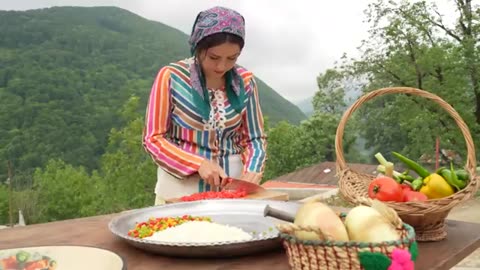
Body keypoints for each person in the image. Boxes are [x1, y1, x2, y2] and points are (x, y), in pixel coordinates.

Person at [142, 6, 267, 205]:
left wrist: (253, 169)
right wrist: (197, 163)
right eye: (214, 58)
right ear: (198, 48)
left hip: (233, 194)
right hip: (178, 193)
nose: (222, 67)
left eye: (232, 59)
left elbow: (254, 138)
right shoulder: (171, 77)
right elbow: (153, 139)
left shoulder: (245, 82)